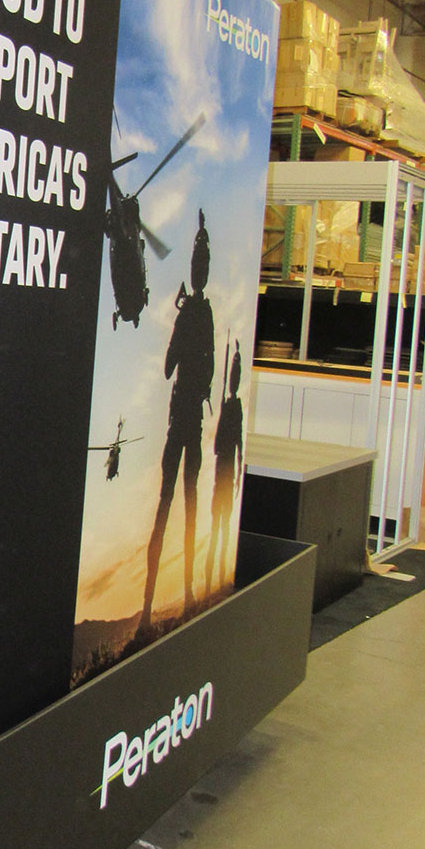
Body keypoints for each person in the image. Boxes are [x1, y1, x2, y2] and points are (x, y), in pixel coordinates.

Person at [140, 210, 215, 634]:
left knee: (166, 508)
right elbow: (210, 370)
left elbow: (169, 366)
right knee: (189, 504)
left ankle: (148, 612)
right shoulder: (207, 315)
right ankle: (186, 595)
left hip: (179, 422)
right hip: (194, 425)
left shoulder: (189, 315)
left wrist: (179, 316)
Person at [205, 341, 244, 598]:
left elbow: (237, 444)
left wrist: (238, 474)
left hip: (226, 478)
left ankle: (220, 582)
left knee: (222, 532)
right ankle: (213, 584)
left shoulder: (234, 408)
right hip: (223, 478)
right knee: (216, 532)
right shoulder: (229, 407)